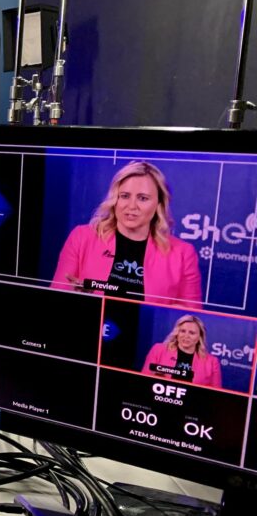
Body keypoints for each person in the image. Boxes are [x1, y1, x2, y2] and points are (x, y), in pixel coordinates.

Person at [52, 161, 202, 304]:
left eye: (142, 198)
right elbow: (58, 295)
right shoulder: (82, 237)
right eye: (124, 196)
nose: (131, 206)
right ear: (114, 198)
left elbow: (189, 314)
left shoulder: (183, 254)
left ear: (159, 204)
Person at [141, 314, 222, 388]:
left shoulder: (212, 362)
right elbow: (144, 381)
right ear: (177, 333)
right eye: (182, 331)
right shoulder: (158, 350)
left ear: (199, 338)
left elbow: (215, 395)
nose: (186, 336)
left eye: (192, 333)